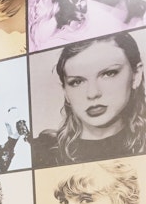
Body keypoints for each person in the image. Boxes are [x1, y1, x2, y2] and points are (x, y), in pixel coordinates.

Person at [33, 32, 146, 167]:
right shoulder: (40, 151)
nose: (92, 94)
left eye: (108, 73)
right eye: (77, 82)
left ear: (136, 75)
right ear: (66, 92)